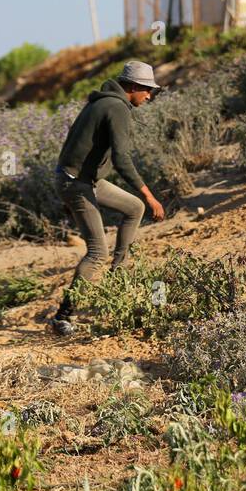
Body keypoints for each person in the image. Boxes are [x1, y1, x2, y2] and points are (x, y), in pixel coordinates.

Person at [50, 60, 166, 334]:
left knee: (132, 208)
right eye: (147, 90)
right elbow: (122, 159)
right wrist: (151, 196)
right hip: (77, 184)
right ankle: (63, 316)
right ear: (134, 87)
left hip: (83, 181)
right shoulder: (116, 107)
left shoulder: (101, 101)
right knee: (98, 252)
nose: (149, 96)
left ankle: (119, 273)